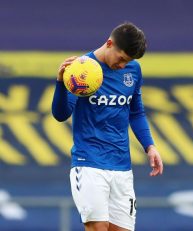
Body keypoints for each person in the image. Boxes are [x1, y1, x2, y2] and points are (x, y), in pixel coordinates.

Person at [52, 22, 164, 231]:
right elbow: (61, 114)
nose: (122, 65)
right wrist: (60, 82)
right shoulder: (81, 69)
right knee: (98, 227)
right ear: (109, 43)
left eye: (127, 62)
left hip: (122, 166)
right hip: (89, 163)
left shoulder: (133, 69)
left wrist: (150, 146)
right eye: (121, 59)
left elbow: (136, 112)